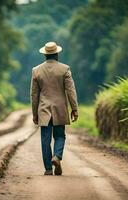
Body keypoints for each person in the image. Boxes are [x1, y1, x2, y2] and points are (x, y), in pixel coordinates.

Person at [30, 41, 78, 176]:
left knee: (45, 139)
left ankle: (48, 169)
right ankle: (57, 156)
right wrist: (74, 109)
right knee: (59, 136)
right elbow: (71, 91)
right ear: (57, 54)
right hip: (60, 109)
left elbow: (34, 95)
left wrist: (35, 114)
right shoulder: (65, 69)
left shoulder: (36, 70)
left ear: (45, 55)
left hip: (44, 110)